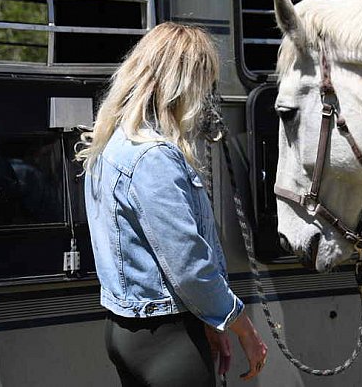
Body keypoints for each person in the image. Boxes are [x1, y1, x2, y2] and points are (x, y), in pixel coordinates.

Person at [75, 22, 267, 386]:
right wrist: (242, 327)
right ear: (183, 84)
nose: (207, 96)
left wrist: (208, 319)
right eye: (205, 83)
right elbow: (189, 266)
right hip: (166, 336)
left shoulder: (111, 145)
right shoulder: (153, 156)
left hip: (127, 330)